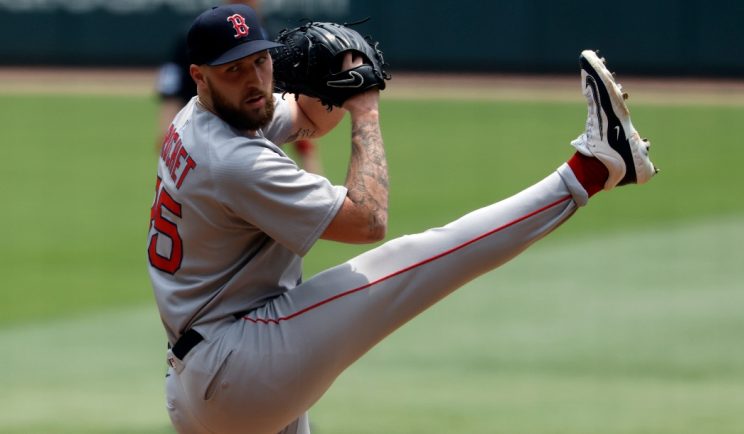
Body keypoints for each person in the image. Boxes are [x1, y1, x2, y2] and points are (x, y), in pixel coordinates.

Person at [147, 4, 657, 434]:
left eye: (259, 62)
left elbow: (305, 118)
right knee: (410, 263)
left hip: (207, 379)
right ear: (200, 76)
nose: (254, 81)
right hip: (238, 362)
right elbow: (368, 220)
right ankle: (594, 167)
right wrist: (364, 107)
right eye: (234, 70)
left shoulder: (204, 117)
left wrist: (332, 82)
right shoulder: (232, 161)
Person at [154, 0, 323, 173]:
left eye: (260, 60)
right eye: (234, 68)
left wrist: (309, 159)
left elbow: (293, 103)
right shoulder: (194, 39)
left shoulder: (277, 38)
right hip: (206, 135)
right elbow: (171, 91)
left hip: (262, 137)